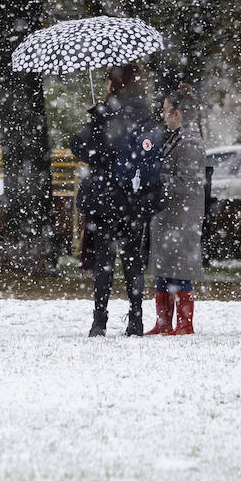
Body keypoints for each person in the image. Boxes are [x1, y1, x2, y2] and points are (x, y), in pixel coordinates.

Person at [71, 63, 157, 337]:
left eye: (109, 79)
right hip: (135, 197)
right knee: (133, 260)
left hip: (107, 197)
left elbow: (80, 147)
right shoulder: (145, 111)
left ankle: (100, 320)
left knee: (104, 262)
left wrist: (94, 118)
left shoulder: (106, 112)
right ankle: (136, 319)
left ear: (115, 82)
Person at [145, 84, 206, 335]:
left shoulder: (190, 141)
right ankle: (163, 322)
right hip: (168, 214)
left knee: (179, 270)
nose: (162, 115)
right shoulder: (175, 136)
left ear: (178, 114)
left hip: (182, 216)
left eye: (166, 110)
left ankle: (183, 323)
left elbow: (188, 182)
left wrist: (157, 179)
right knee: (164, 268)